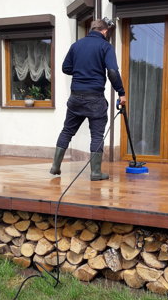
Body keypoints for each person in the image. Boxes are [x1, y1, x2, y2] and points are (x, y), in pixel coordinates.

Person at [50, 18, 126, 181]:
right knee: (97, 135)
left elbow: (66, 68)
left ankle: (55, 166)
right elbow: (112, 72)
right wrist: (121, 93)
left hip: (75, 97)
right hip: (95, 98)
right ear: (105, 31)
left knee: (67, 131)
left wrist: (81, 70)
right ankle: (96, 173)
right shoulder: (106, 46)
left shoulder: (76, 45)